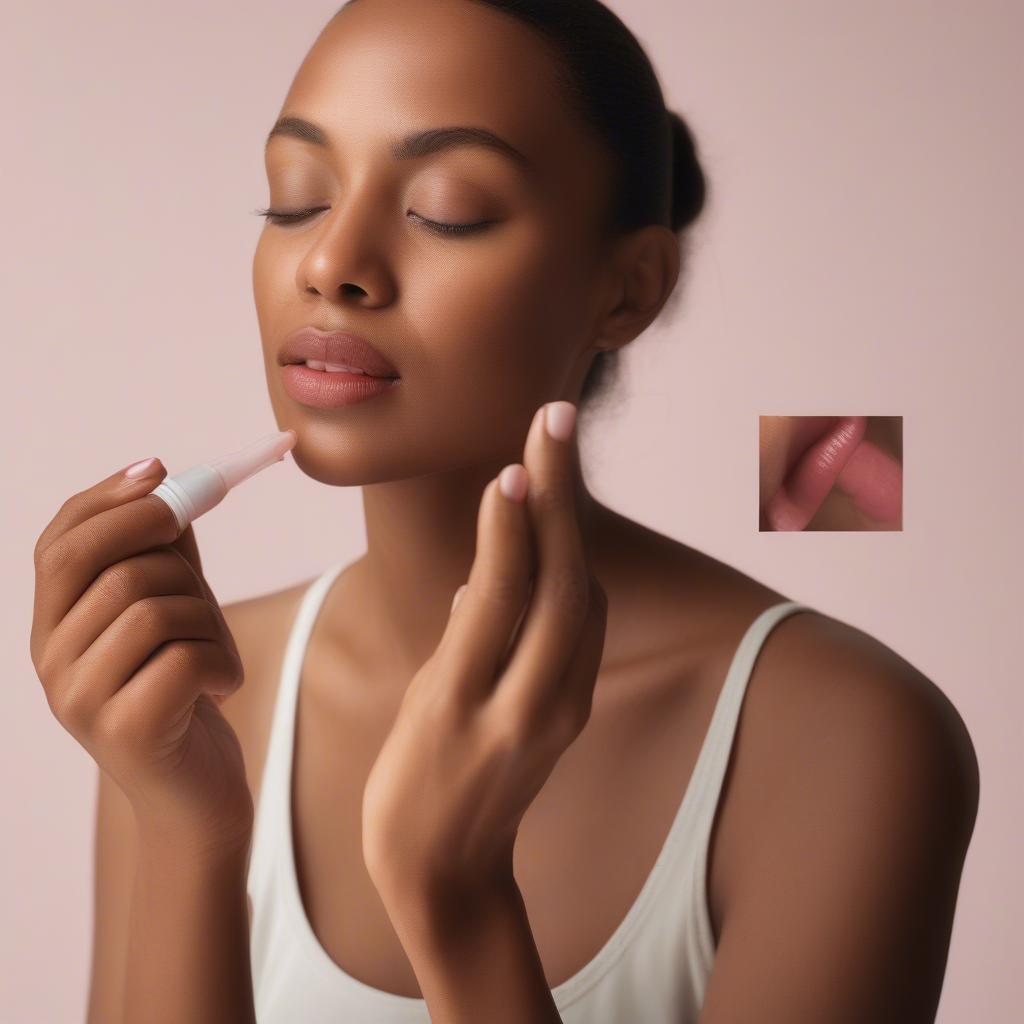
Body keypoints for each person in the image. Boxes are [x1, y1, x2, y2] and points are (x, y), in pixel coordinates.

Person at [30, 1, 977, 1021]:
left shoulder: (843, 740)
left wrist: (459, 900)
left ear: (627, 287)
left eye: (446, 209)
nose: (328, 262)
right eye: (295, 199)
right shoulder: (192, 696)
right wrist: (185, 829)